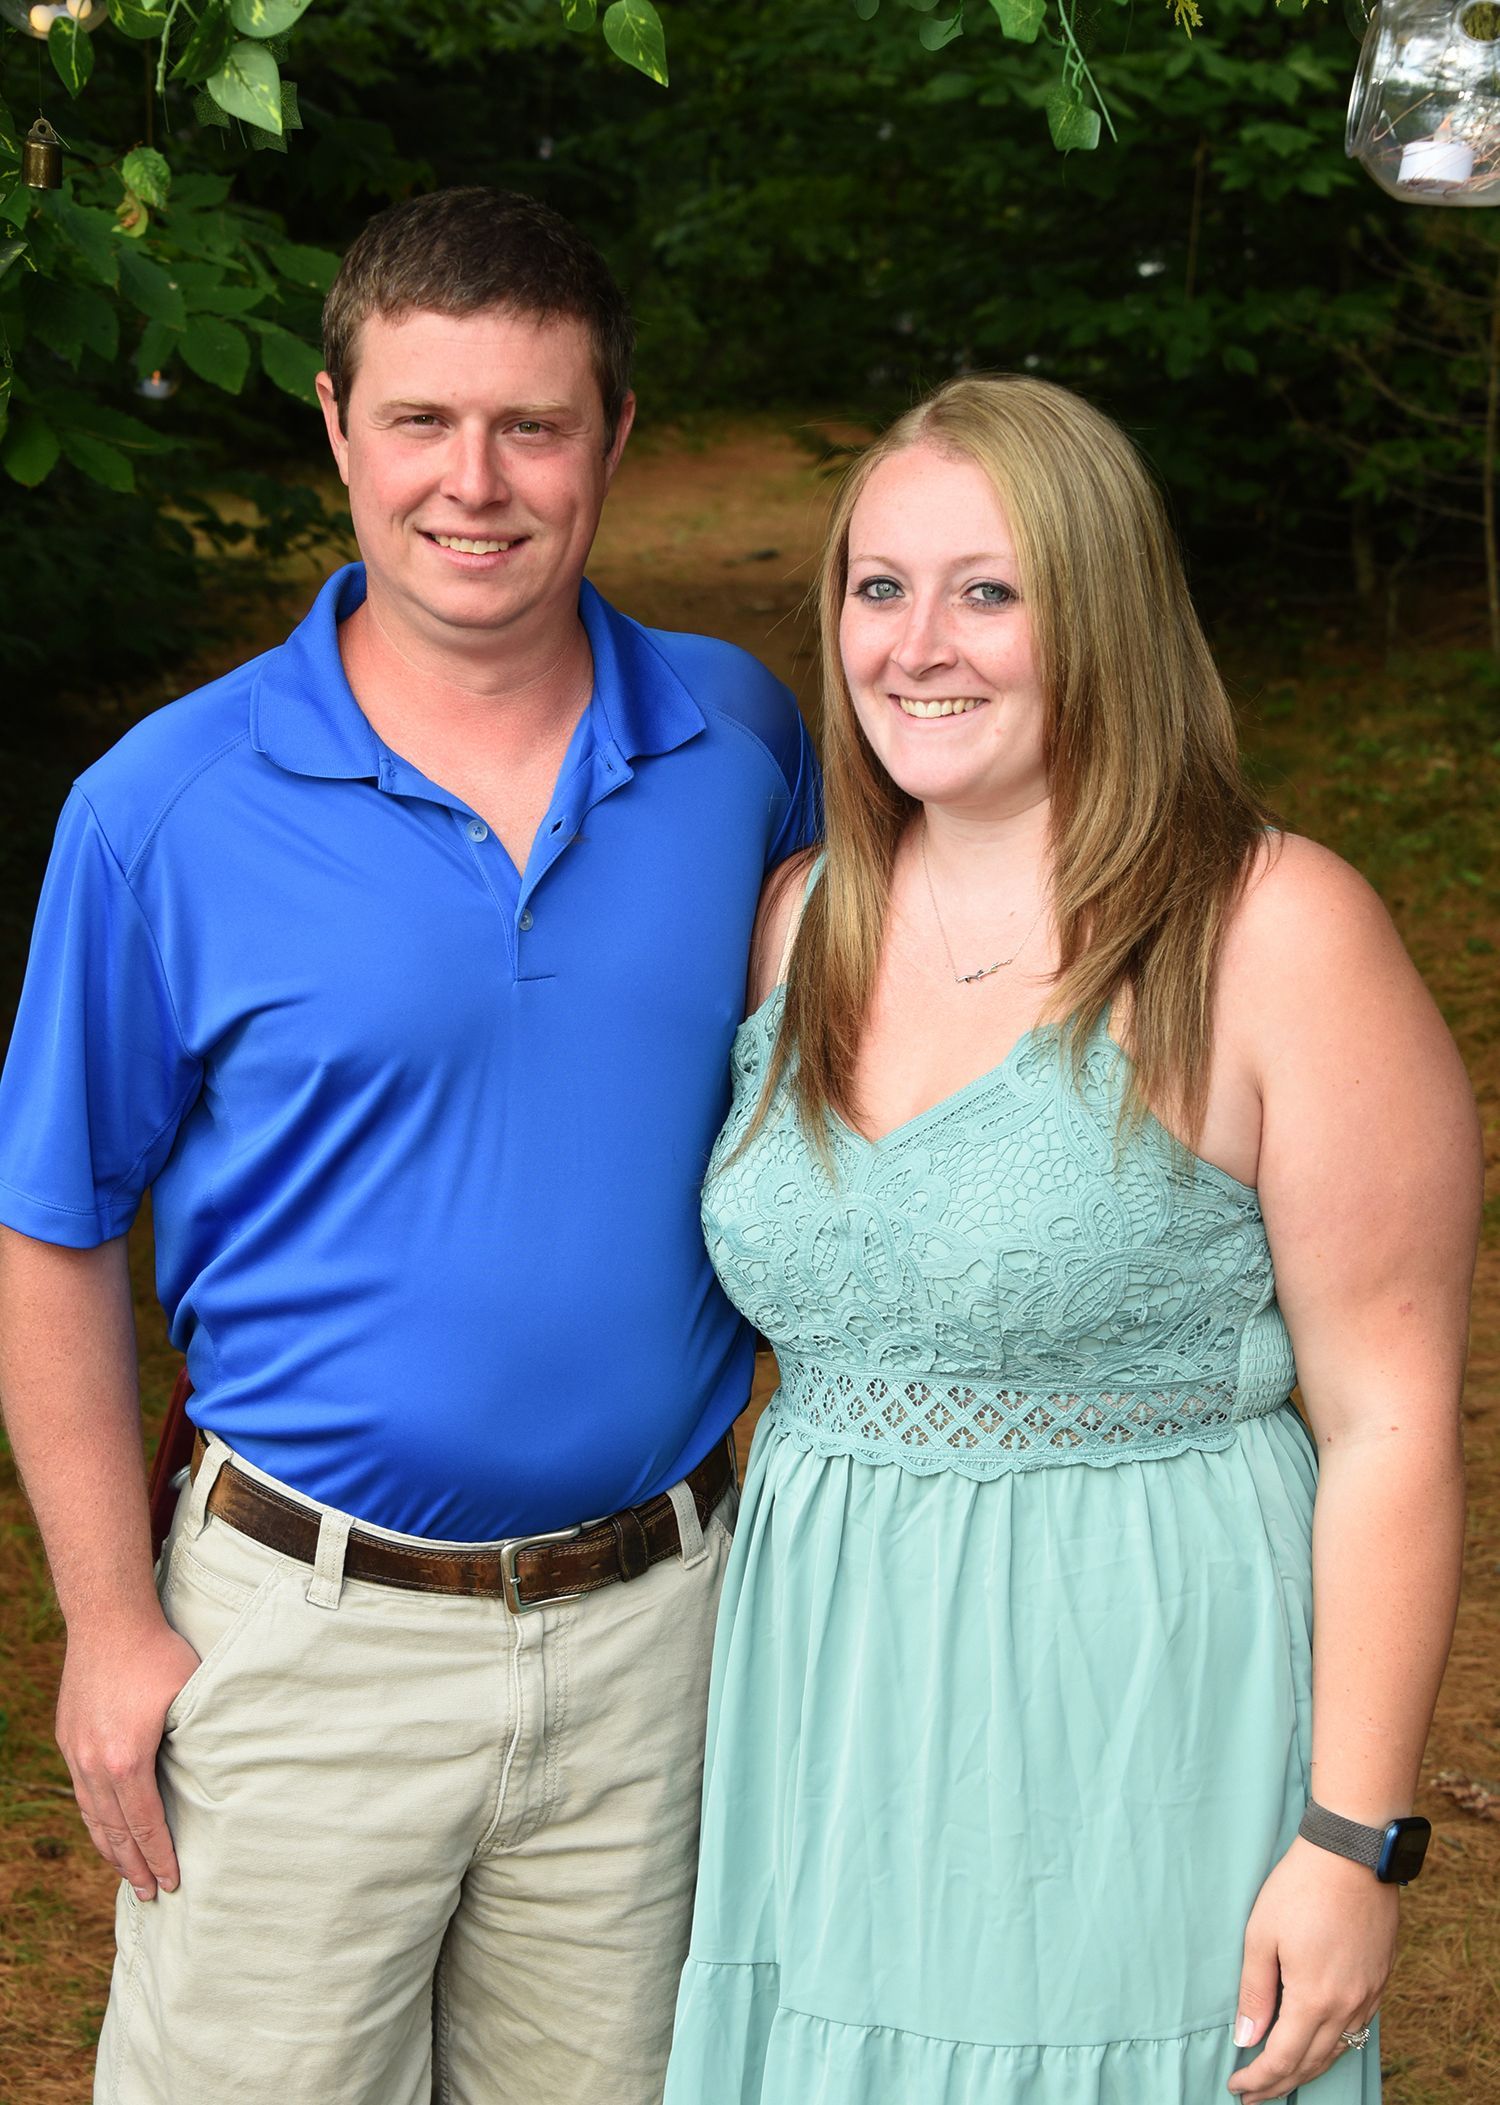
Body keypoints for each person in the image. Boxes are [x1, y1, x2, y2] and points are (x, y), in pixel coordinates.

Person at [0, 186, 818, 2105]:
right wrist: (107, 1625)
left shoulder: (737, 736)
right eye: (423, 422)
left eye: (532, 423)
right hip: (300, 1643)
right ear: (336, 427)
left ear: (611, 436)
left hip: (661, 1643)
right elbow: (50, 1227)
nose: (478, 482)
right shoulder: (164, 809)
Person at [662, 375, 1478, 2105]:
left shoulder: (1274, 931)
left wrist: (1352, 1835)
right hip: (834, 1694)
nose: (919, 643)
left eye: (989, 589)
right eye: (878, 587)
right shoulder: (803, 920)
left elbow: (1394, 1421)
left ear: (1100, 611)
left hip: (1137, 1705)